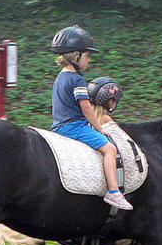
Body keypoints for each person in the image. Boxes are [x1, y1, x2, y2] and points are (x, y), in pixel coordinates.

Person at [50, 26, 132, 211]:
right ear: (75, 56)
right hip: (75, 126)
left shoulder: (60, 77)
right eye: (87, 56)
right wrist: (99, 127)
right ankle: (113, 192)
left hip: (58, 126)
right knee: (110, 149)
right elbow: (85, 107)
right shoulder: (77, 79)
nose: (88, 60)